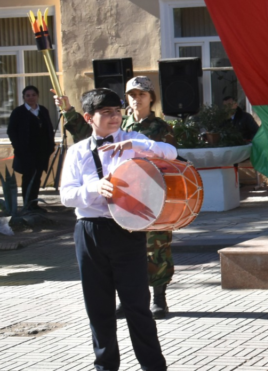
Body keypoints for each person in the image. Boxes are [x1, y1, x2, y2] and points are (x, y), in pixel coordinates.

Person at [60, 88, 173, 371]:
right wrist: (93, 188)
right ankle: (105, 366)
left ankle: (153, 366)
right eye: (106, 113)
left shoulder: (134, 141)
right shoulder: (77, 152)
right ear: (88, 117)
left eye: (117, 111)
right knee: (99, 308)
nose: (114, 117)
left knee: (137, 306)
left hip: (128, 230)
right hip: (89, 231)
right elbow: (66, 195)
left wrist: (140, 146)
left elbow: (171, 153)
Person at [120, 76, 175, 320]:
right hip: (125, 196)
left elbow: (170, 162)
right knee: (123, 250)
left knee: (157, 247)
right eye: (132, 94)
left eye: (141, 94)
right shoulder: (118, 125)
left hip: (153, 195)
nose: (136, 99)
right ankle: (128, 299)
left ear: (151, 98)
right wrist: (67, 111)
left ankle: (159, 299)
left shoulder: (161, 128)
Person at [6, 85, 56, 212]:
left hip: (41, 152)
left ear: (37, 96)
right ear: (23, 97)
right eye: (28, 95)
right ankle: (27, 205)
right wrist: (18, 146)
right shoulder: (18, 112)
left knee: (37, 177)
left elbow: (49, 128)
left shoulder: (43, 110)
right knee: (28, 177)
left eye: (33, 95)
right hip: (26, 152)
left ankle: (34, 204)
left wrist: (51, 145)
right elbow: (11, 131)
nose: (31, 98)